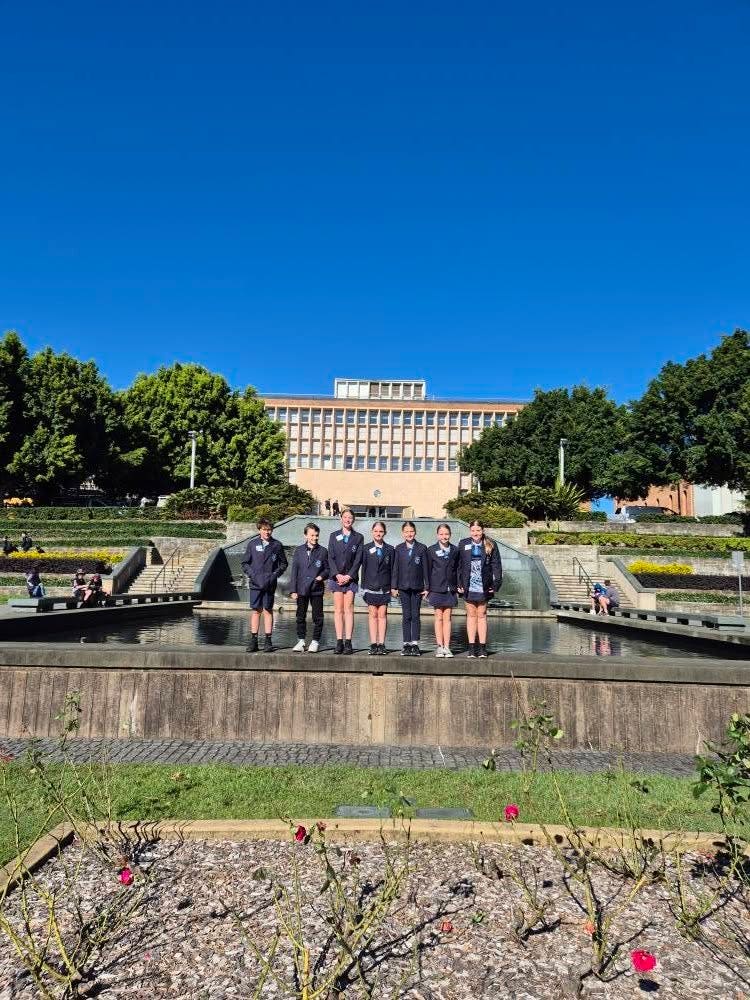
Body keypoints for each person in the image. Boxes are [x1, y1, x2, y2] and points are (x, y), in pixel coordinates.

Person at [241, 518, 288, 653]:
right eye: (264, 529)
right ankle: (253, 641)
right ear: (259, 530)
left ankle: (268, 641)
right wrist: (253, 575)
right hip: (255, 583)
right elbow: (245, 563)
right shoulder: (252, 544)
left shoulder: (277, 545)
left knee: (268, 610)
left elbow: (284, 563)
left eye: (269, 529)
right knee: (256, 611)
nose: (267, 532)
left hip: (269, 584)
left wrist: (274, 575)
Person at [457, 519, 502, 658]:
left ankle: (482, 648)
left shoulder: (490, 544)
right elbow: (458, 566)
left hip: (484, 585)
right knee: (470, 615)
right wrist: (459, 584)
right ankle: (471, 648)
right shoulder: (463, 543)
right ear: (470, 531)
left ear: (482, 530)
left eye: (478, 530)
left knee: (481, 615)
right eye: (473, 530)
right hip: (468, 584)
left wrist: (495, 585)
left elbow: (497, 565)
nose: (475, 533)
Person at [327, 508, 364, 654]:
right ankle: (339, 642)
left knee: (348, 609)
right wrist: (336, 575)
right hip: (336, 578)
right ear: (341, 519)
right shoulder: (333, 536)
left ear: (353, 520)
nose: (348, 519)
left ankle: (348, 642)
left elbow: (358, 559)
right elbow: (330, 557)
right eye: (345, 517)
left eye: (350, 517)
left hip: (351, 578)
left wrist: (349, 576)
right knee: (338, 610)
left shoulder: (358, 537)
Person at [391, 521, 430, 656]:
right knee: (406, 615)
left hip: (418, 588)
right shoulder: (399, 548)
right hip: (403, 587)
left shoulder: (422, 548)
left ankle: (415, 644)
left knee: (416, 615)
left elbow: (426, 569)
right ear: (403, 533)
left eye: (411, 531)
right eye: (406, 531)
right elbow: (395, 569)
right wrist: (394, 587)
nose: (409, 534)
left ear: (415, 532)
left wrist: (427, 587)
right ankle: (406, 643)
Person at [289, 522, 329, 653]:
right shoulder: (299, 550)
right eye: (312, 535)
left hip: (316, 589)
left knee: (318, 617)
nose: (315, 538)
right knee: (300, 616)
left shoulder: (323, 551)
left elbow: (328, 569)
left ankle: (315, 641)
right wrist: (293, 590)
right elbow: (294, 571)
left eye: (316, 535)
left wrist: (321, 577)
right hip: (301, 589)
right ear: (305, 536)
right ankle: (301, 641)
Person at [360, 521, 394, 655]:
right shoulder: (366, 548)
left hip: (385, 587)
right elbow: (364, 568)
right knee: (373, 615)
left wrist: (393, 586)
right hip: (370, 586)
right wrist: (363, 587)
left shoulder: (390, 549)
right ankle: (374, 644)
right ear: (372, 532)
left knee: (382, 615)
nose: (378, 533)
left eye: (381, 531)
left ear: (384, 533)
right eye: (376, 531)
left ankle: (382, 644)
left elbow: (393, 569)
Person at [427, 523, 460, 657]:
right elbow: (428, 570)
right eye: (441, 534)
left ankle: (447, 646)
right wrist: (427, 588)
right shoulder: (431, 550)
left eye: (446, 534)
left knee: (448, 618)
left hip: (450, 589)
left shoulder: (455, 550)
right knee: (438, 618)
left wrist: (458, 585)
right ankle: (439, 647)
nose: (444, 536)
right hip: (436, 588)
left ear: (450, 535)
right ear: (437, 535)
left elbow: (458, 569)